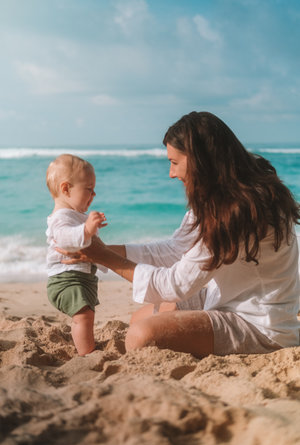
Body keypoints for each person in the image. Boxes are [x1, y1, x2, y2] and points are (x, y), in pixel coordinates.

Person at [59, 112, 300, 358]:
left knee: (141, 336)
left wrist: (105, 257)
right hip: (227, 297)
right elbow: (174, 250)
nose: (171, 173)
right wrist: (97, 250)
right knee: (139, 319)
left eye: (174, 162)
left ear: (199, 160)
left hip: (260, 324)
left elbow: (175, 285)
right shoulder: (224, 196)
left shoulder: (236, 212)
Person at [46, 154, 107, 356]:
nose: (94, 194)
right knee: (84, 316)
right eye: (89, 189)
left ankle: (87, 347)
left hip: (81, 278)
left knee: (87, 314)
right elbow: (65, 239)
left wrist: (91, 230)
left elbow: (92, 248)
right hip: (66, 279)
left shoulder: (75, 215)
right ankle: (86, 353)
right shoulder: (61, 217)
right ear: (65, 189)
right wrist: (87, 229)